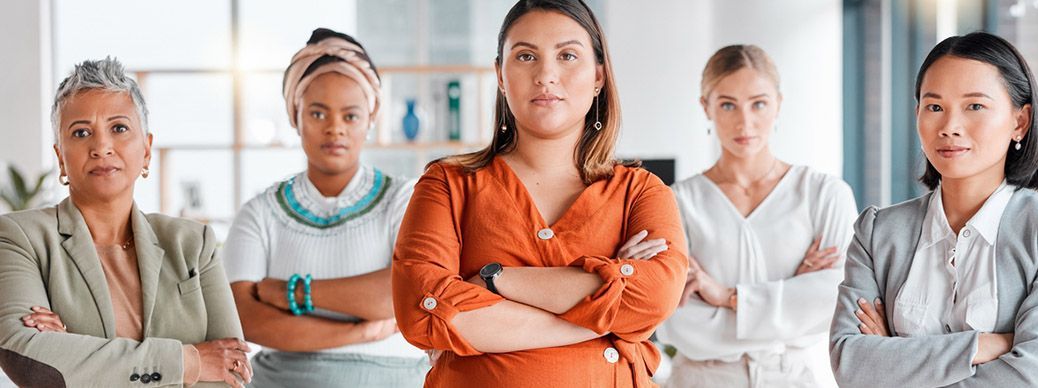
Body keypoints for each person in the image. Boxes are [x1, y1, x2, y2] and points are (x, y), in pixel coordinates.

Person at [390, 1, 687, 386]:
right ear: (500, 74)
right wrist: (600, 320)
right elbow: (421, 309)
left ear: (598, 76)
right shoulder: (448, 184)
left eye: (567, 55)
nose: (546, 75)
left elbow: (655, 296)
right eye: (526, 56)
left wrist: (495, 280)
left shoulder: (641, 192)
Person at [830, 32, 1038, 388]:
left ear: (1020, 121)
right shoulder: (877, 231)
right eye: (935, 107)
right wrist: (985, 345)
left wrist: (896, 357)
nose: (949, 127)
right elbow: (851, 364)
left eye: (975, 106)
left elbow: (1036, 376)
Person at [0, 57, 251, 387]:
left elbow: (232, 370)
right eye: (81, 132)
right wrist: (189, 361)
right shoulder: (20, 237)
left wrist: (79, 353)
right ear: (61, 157)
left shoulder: (193, 243)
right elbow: (31, 362)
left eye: (119, 128)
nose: (101, 147)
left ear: (146, 150)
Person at [223, 28, 427, 388]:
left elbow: (406, 294)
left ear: (370, 118)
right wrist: (361, 332)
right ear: (295, 116)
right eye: (318, 114)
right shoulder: (259, 213)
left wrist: (291, 293)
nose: (335, 129)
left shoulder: (406, 198)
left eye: (350, 116)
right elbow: (244, 318)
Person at [657, 44, 857, 388]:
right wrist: (791, 292)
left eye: (758, 103)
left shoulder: (824, 194)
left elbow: (834, 300)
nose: (745, 122)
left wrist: (725, 296)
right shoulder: (676, 202)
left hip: (791, 379)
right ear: (706, 107)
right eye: (727, 104)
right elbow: (676, 323)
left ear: (778, 103)